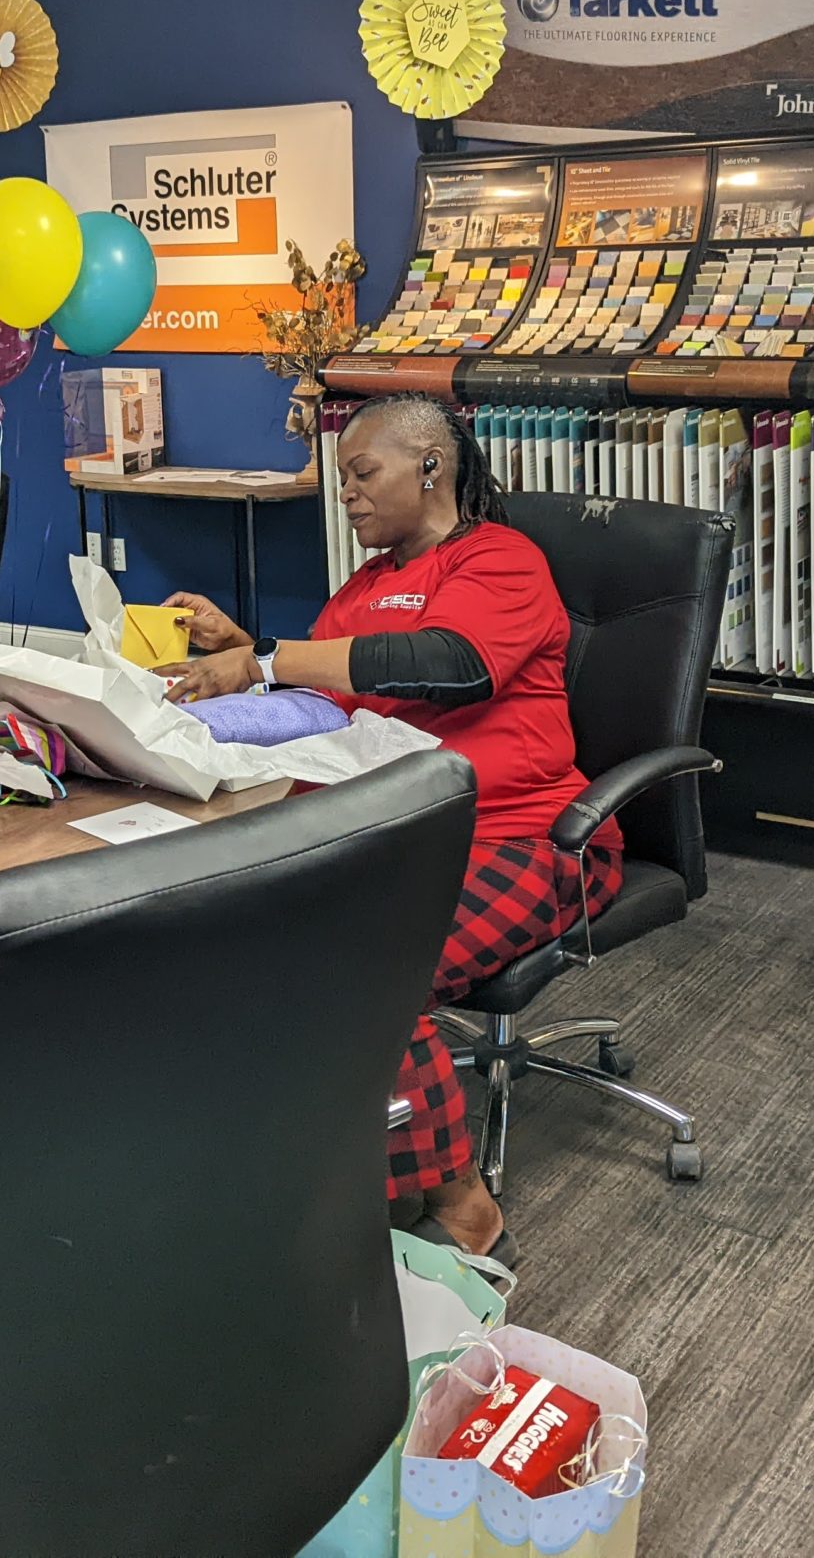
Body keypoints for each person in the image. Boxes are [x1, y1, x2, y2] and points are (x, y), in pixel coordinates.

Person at [161, 394, 617, 1264]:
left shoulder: (500, 559)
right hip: (390, 838)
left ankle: (466, 1209)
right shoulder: (364, 588)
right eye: (342, 479)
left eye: (363, 472)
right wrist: (241, 652)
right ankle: (303, 1166)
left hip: (523, 839)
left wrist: (266, 658)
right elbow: (329, 696)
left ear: (430, 466)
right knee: (235, 941)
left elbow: (452, 663)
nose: (348, 494)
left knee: (365, 968)